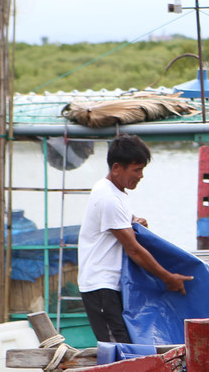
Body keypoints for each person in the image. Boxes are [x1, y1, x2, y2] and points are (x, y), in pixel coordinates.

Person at [78, 134, 192, 343]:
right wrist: (168, 277)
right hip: (101, 285)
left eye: (142, 169)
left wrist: (134, 222)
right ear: (116, 168)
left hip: (112, 285)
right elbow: (133, 249)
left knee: (126, 347)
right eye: (136, 170)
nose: (140, 176)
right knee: (118, 350)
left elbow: (121, 225)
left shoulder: (114, 191)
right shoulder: (109, 198)